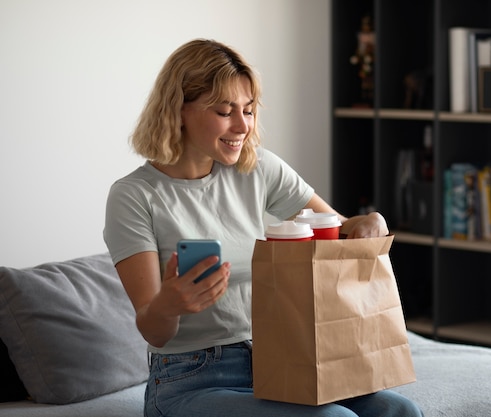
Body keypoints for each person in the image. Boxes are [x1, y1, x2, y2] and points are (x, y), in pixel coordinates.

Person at [104, 38, 423, 417]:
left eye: (249, 110)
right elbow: (153, 330)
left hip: (278, 360)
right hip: (188, 379)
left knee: (398, 411)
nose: (242, 126)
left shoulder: (256, 169)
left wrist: (370, 221)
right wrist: (169, 306)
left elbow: (336, 228)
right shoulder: (134, 196)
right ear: (180, 110)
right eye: (225, 111)